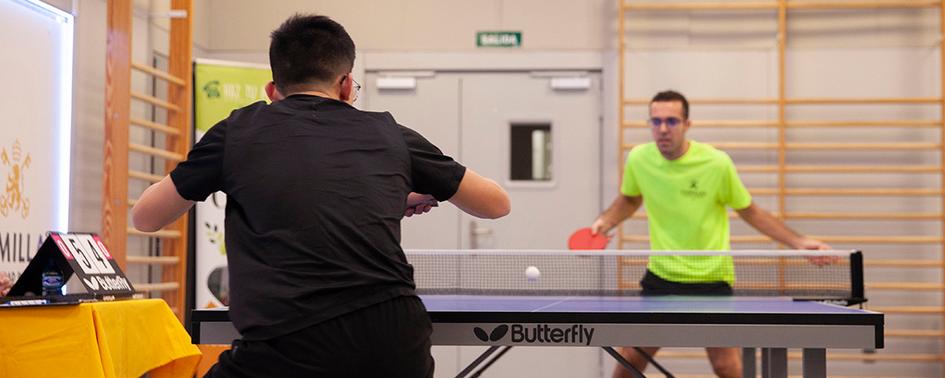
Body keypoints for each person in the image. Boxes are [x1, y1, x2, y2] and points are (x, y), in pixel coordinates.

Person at [132, 14, 510, 377]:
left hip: (285, 350)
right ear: (346, 85)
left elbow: (145, 217)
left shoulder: (236, 131)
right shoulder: (390, 132)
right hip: (394, 347)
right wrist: (395, 192)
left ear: (272, 90)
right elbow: (496, 204)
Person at [591, 90, 830, 378]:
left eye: (671, 121)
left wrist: (799, 242)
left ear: (687, 124)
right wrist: (605, 221)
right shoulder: (640, 159)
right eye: (656, 121)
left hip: (711, 279)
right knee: (630, 357)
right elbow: (629, 199)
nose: (663, 129)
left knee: (725, 366)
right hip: (662, 278)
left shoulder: (716, 163)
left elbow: (749, 210)